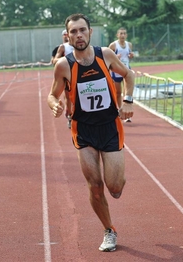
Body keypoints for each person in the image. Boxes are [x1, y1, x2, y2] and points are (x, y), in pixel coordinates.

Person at [47, 13, 135, 252]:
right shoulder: (64, 65)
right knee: (95, 186)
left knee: (114, 189)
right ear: (67, 36)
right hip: (83, 130)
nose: (78, 35)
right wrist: (54, 104)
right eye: (73, 32)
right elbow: (52, 94)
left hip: (109, 127)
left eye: (82, 30)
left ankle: (117, 178)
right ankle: (109, 230)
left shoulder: (105, 54)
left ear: (90, 32)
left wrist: (127, 100)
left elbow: (129, 74)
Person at [108, 27, 134, 122]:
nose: (123, 35)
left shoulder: (129, 45)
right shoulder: (113, 45)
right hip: (116, 71)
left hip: (126, 70)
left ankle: (128, 112)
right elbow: (107, 58)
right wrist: (115, 57)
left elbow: (130, 55)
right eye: (121, 33)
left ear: (126, 35)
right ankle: (120, 110)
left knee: (127, 91)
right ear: (117, 35)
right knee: (118, 92)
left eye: (124, 33)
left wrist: (131, 56)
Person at [51, 29, 75, 129]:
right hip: (67, 75)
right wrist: (66, 59)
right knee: (68, 97)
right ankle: (70, 116)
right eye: (65, 34)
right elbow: (54, 60)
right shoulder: (63, 47)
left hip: (80, 74)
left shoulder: (80, 46)